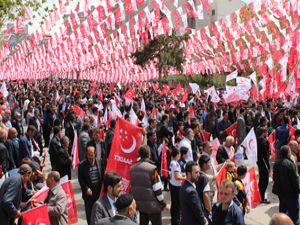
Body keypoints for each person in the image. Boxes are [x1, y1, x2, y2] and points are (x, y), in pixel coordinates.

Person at [130, 145, 167, 225]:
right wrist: (163, 203)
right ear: (149, 155)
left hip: (141, 207)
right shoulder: (152, 169)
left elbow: (133, 188)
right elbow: (157, 189)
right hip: (153, 207)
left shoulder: (132, 169)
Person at [272, 145, 300, 225]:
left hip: (281, 193)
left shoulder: (277, 163)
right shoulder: (290, 164)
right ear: (288, 153)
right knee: (295, 215)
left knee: (283, 211)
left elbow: (274, 178)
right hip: (291, 193)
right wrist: (297, 189)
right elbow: (294, 179)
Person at [79, 146, 105, 225]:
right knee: (90, 213)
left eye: (92, 154)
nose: (91, 156)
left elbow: (103, 174)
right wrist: (86, 188)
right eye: (89, 154)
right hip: (89, 194)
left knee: (100, 211)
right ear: (86, 154)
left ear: (95, 153)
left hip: (99, 191)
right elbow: (81, 179)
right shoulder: (82, 165)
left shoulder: (100, 161)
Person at [180, 161, 208, 225]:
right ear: (189, 174)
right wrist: (204, 222)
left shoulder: (184, 186)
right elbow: (197, 211)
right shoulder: (191, 191)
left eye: (199, 172)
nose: (198, 174)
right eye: (196, 172)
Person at [169, 148, 186, 225]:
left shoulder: (172, 162)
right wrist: (185, 178)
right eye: (179, 154)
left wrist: (182, 174)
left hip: (173, 184)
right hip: (176, 186)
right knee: (177, 205)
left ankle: (174, 220)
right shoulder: (175, 164)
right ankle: (176, 221)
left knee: (174, 204)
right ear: (177, 154)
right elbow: (176, 176)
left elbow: (177, 174)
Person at [197, 155, 213, 223]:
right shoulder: (204, 177)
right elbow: (205, 195)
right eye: (209, 162)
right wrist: (210, 210)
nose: (210, 164)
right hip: (203, 207)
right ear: (204, 164)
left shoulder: (198, 174)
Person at [256, 127, 271, 204]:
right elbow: (265, 156)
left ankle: (259, 196)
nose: (267, 133)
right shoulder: (263, 142)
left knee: (261, 180)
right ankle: (262, 197)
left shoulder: (257, 141)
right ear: (263, 133)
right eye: (266, 132)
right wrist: (268, 166)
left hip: (259, 162)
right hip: (263, 163)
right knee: (265, 181)